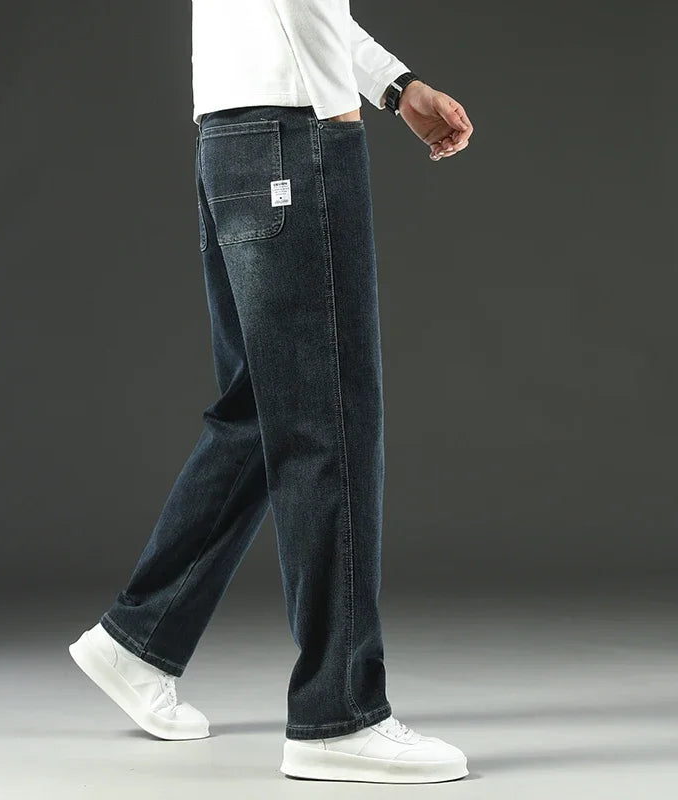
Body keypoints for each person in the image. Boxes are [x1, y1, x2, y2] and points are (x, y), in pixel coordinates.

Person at [69, 0, 474, 784]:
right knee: (331, 419)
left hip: (236, 136)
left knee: (266, 409)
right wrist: (336, 109)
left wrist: (396, 86)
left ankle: (138, 638)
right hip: (296, 133)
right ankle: (338, 713)